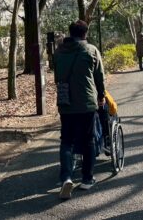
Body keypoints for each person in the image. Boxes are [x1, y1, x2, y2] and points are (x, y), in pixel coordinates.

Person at [53, 20, 106, 200]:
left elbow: (57, 77)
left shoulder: (59, 52)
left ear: (70, 32)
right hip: (86, 103)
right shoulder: (91, 50)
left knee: (66, 140)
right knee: (88, 139)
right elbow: (99, 76)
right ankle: (87, 179)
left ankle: (66, 178)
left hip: (65, 103)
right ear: (85, 33)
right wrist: (101, 95)